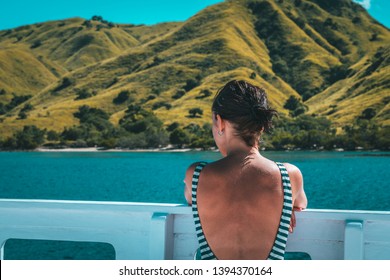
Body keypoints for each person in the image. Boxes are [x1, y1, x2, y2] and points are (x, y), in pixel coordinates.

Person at [184, 80, 307, 260]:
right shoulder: (289, 175)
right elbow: (300, 203)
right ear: (262, 125)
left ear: (219, 122)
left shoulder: (196, 174)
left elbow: (189, 198)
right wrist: (284, 207)